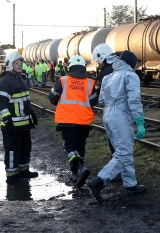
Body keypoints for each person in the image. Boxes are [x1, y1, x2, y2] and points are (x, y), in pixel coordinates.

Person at [87, 50, 146, 202]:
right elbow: (134, 100)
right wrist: (139, 121)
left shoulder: (108, 77)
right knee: (124, 152)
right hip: (120, 116)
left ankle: (130, 185)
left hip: (108, 115)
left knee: (121, 151)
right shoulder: (130, 76)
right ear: (132, 64)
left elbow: (101, 100)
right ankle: (99, 181)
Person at [48, 55, 98, 188]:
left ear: (69, 67)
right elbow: (94, 101)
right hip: (84, 122)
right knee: (80, 146)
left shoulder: (63, 81)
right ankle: (77, 171)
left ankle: (78, 168)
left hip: (67, 121)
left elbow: (52, 98)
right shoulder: (90, 83)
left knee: (70, 147)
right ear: (84, 68)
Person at [0, 51, 38, 184]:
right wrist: (7, 120)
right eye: (16, 63)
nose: (20, 65)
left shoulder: (19, 78)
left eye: (20, 63)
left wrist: (30, 112)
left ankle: (23, 171)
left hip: (23, 123)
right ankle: (12, 177)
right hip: (12, 124)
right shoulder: (6, 81)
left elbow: (23, 99)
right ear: (10, 65)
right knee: (13, 150)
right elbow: (1, 102)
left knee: (25, 147)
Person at [91, 43, 121, 180]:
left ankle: (113, 173)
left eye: (98, 61)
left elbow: (102, 95)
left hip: (113, 111)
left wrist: (91, 98)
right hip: (122, 111)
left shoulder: (107, 72)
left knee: (115, 143)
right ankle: (120, 171)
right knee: (120, 143)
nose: (98, 64)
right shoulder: (119, 66)